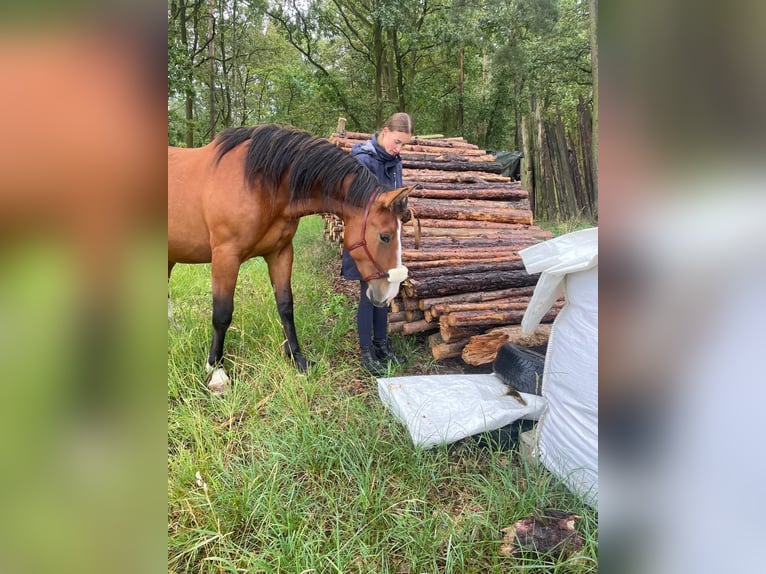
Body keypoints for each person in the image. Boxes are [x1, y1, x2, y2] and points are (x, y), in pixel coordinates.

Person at [341, 112, 414, 376]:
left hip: (387, 237)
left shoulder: (395, 160)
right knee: (368, 293)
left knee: (385, 293)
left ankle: (382, 347)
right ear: (384, 132)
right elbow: (360, 203)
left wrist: (402, 208)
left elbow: (395, 197)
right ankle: (366, 352)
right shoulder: (362, 159)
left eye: (404, 144)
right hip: (368, 238)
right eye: (397, 141)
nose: (399, 148)